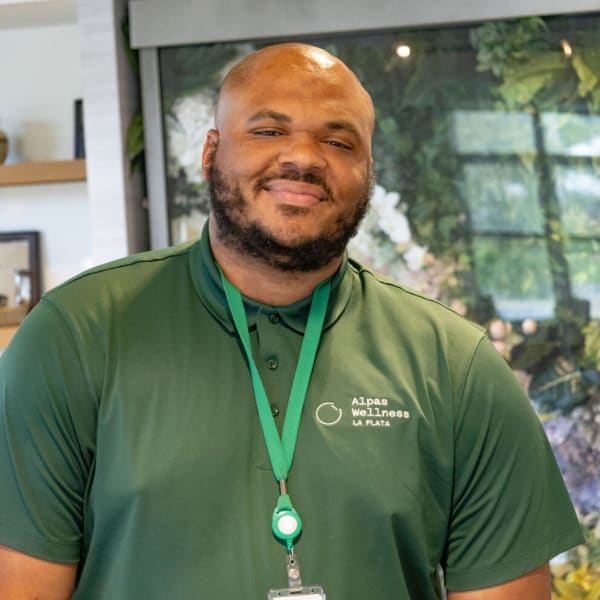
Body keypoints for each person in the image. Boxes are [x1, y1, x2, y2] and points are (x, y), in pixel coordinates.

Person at [0, 43, 584, 599]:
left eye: (338, 141)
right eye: (269, 131)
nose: (303, 157)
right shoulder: (75, 336)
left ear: (368, 171)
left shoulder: (457, 366)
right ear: (210, 152)